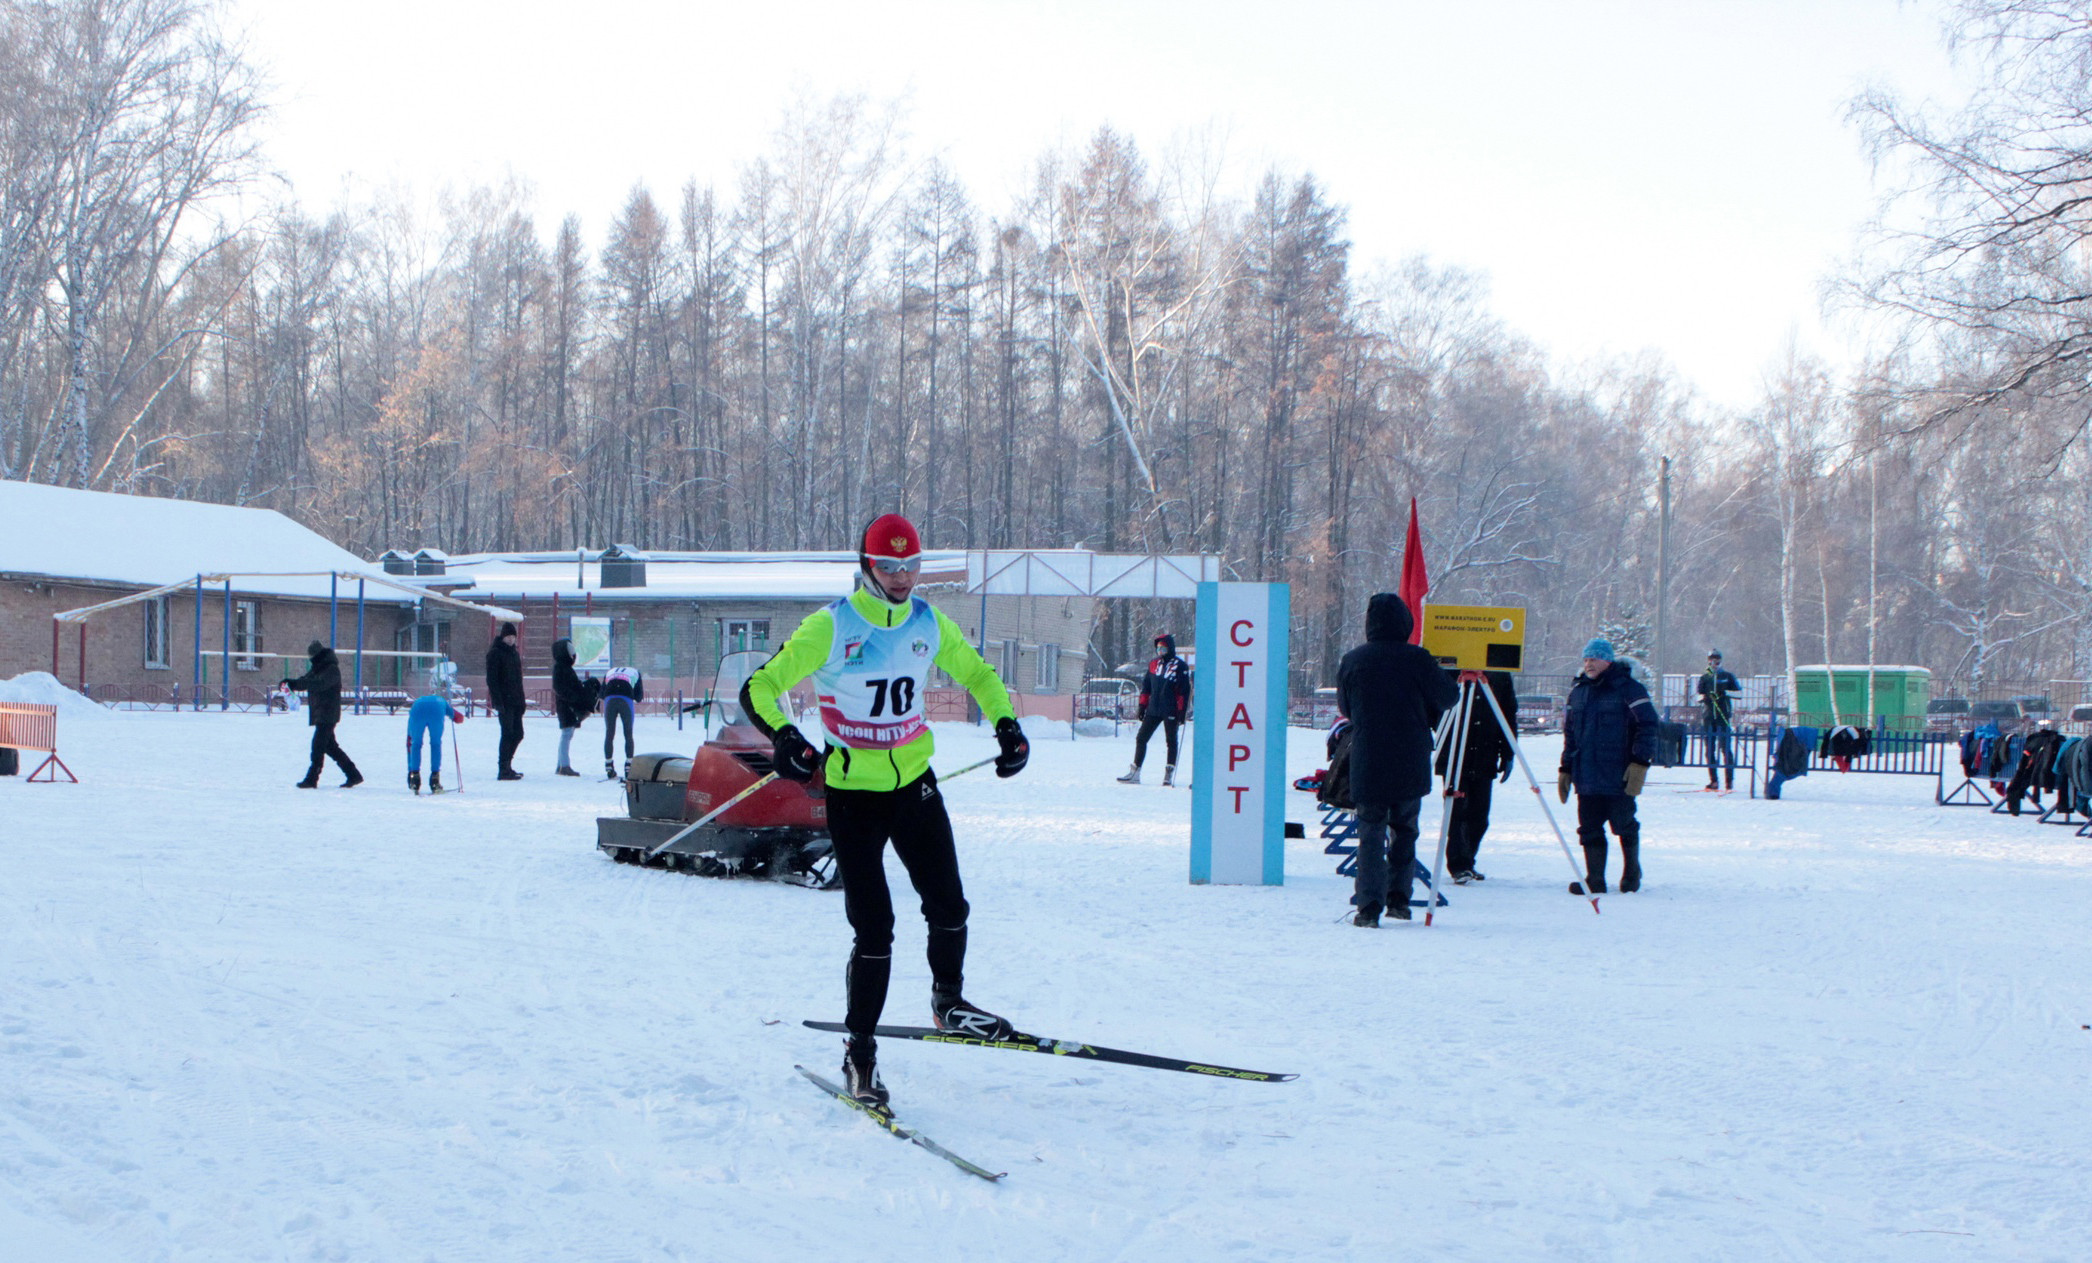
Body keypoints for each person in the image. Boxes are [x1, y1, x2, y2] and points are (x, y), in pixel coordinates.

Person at [742, 513, 1030, 1108]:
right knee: (876, 931)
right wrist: (786, 739)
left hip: (914, 786)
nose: (902, 578)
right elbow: (761, 687)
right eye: (889, 566)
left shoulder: (928, 621)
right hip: (854, 795)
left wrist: (1006, 723)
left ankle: (948, 1003)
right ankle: (860, 1054)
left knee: (949, 906)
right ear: (867, 566)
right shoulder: (833, 626)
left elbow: (975, 671)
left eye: (911, 565)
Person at [1336, 594, 1458, 926]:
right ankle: (1399, 901)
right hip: (1409, 756)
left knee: (1370, 833)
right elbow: (1448, 697)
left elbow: (1345, 708)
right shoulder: (1418, 659)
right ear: (1406, 623)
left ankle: (1368, 908)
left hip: (1368, 756)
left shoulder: (1353, 659)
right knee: (1405, 829)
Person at [1558, 638, 1658, 894]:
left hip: (1619, 773)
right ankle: (1595, 879)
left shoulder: (1629, 689)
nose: (1589, 664)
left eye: (1594, 659)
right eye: (1586, 659)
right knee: (1589, 827)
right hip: (1587, 773)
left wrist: (1639, 762)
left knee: (1624, 824)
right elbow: (1570, 733)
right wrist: (1566, 768)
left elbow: (1648, 726)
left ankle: (1632, 873)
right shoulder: (1579, 691)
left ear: (1608, 660)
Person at [1434, 668, 1518, 885]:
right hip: (1454, 752)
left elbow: (1507, 712)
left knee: (1479, 815)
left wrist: (1508, 751)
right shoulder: (1449, 670)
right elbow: (1434, 705)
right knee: (1456, 812)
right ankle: (1458, 864)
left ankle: (1468, 859)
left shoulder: (1499, 673)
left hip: (1485, 751)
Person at [281, 640, 362, 789]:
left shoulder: (331, 669)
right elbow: (307, 680)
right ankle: (353, 775)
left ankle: (312, 778)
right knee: (331, 747)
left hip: (328, 714)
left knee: (318, 746)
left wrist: (297, 684)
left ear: (317, 655)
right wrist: (292, 683)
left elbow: (318, 684)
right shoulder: (319, 668)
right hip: (322, 713)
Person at [1116, 632, 1193, 786]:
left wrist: (1181, 712)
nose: (1160, 652)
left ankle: (1168, 773)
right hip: (1153, 708)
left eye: (1163, 649)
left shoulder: (1180, 666)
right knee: (1141, 738)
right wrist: (1142, 706)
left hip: (1170, 709)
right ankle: (1135, 771)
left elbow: (1183, 692)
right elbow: (1146, 687)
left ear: (1170, 648)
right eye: (1158, 649)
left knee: (1171, 740)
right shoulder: (1153, 664)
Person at [406, 663, 465, 794]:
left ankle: (414, 778)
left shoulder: (419, 700)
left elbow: (408, 740)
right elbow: (458, 717)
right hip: (437, 711)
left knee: (415, 744)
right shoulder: (441, 701)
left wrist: (409, 769)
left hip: (417, 710)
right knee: (435, 743)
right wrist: (456, 718)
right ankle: (435, 780)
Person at [550, 638, 599, 777]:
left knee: (567, 734)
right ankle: (564, 766)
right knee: (566, 734)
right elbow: (560, 688)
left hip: (566, 705)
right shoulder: (561, 668)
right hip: (566, 706)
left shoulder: (564, 668)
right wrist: (574, 698)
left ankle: (561, 765)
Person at [484, 621, 526, 781]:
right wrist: (498, 701)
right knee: (507, 733)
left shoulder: (514, 653)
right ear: (503, 637)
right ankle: (503, 768)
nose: (510, 639)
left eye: (513, 636)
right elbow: (492, 680)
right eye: (508, 636)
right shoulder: (495, 653)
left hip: (516, 700)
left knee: (518, 734)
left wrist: (522, 701)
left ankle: (508, 764)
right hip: (504, 701)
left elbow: (518, 680)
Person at [1696, 648, 1742, 791]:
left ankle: (1729, 781)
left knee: (1725, 749)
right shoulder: (1705, 677)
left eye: (1717, 660)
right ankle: (1713, 781)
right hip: (1709, 718)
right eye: (1711, 660)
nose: (1714, 663)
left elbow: (1739, 693)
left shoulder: (1728, 676)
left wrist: (1724, 693)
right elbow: (1698, 696)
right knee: (1709, 750)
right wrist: (1706, 697)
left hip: (1723, 717)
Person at [600, 665, 644, 779]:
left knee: (609, 733)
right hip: (626, 697)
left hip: (609, 697)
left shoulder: (610, 671)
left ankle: (609, 766)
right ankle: (628, 766)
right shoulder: (636, 672)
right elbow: (639, 697)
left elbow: (601, 693)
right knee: (628, 734)